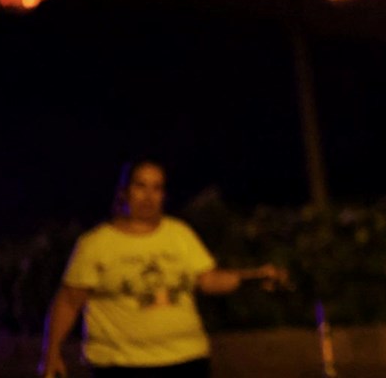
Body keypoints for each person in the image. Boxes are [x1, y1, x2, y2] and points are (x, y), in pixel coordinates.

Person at [38, 159, 289, 378]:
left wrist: (254, 277)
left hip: (187, 360)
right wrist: (51, 353)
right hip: (123, 366)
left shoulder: (179, 234)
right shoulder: (96, 243)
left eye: (157, 188)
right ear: (124, 192)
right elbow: (69, 301)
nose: (149, 195)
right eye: (141, 186)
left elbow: (208, 280)